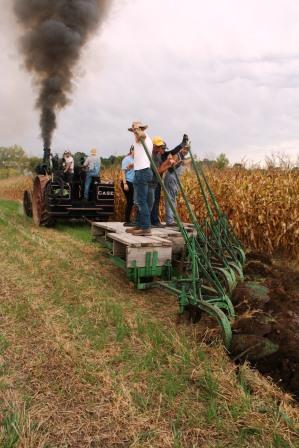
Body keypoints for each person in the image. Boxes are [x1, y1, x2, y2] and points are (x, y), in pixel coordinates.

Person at [126, 121, 153, 236]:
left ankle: (146, 227)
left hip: (143, 172)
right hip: (139, 171)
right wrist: (133, 165)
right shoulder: (137, 140)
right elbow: (142, 156)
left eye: (134, 130)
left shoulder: (144, 136)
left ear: (140, 129)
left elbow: (142, 135)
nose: (133, 132)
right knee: (137, 201)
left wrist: (137, 130)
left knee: (142, 201)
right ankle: (139, 224)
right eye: (132, 130)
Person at [163, 134, 190, 226]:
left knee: (173, 199)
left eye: (187, 150)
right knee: (170, 199)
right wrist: (179, 162)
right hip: (171, 177)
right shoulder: (177, 155)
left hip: (175, 180)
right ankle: (170, 221)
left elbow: (185, 163)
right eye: (185, 149)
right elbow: (172, 166)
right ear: (181, 148)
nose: (186, 151)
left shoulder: (182, 157)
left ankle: (172, 219)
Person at [150, 136, 166, 226]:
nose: (161, 149)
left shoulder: (158, 155)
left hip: (156, 181)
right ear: (154, 146)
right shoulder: (151, 155)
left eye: (162, 147)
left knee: (155, 201)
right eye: (160, 147)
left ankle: (154, 220)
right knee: (151, 202)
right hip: (151, 181)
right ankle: (153, 221)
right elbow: (157, 171)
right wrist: (168, 164)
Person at [121, 145, 135, 226]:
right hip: (127, 182)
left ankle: (129, 219)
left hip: (133, 183)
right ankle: (127, 220)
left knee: (132, 201)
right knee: (130, 201)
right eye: (134, 151)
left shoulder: (136, 159)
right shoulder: (126, 159)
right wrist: (125, 183)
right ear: (131, 150)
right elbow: (123, 172)